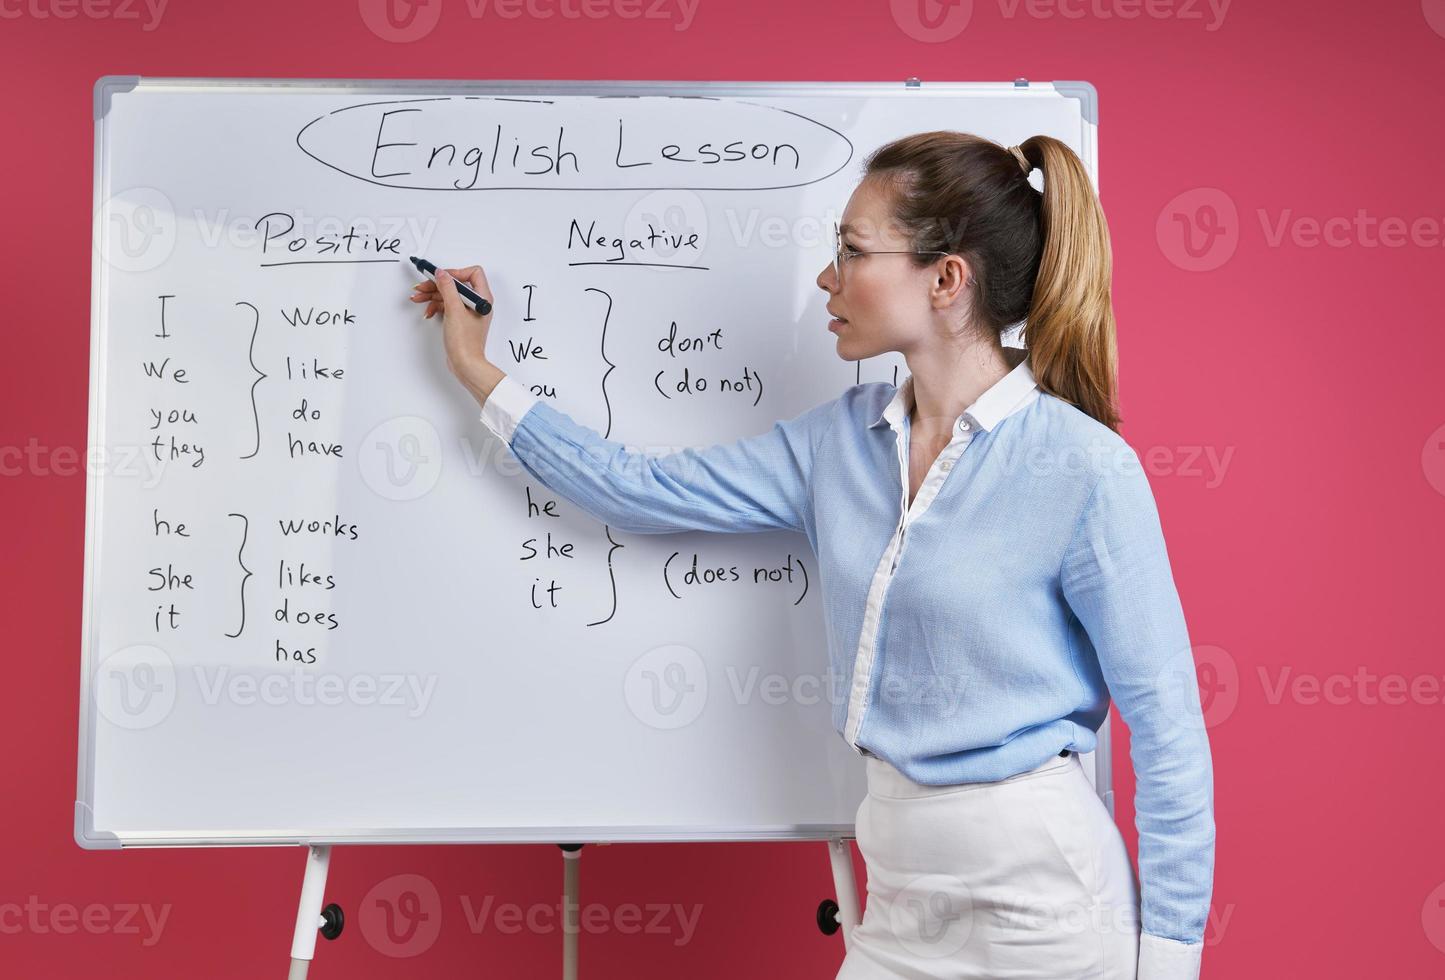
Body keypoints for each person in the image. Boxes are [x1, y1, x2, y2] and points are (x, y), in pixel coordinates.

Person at [412, 131, 1215, 980]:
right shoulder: (839, 443)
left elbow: (1167, 729)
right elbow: (637, 490)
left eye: (852, 251)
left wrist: (1168, 962)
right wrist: (477, 369)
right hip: (901, 895)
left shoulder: (1082, 468)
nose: (827, 277)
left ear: (947, 280)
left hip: (1045, 905)